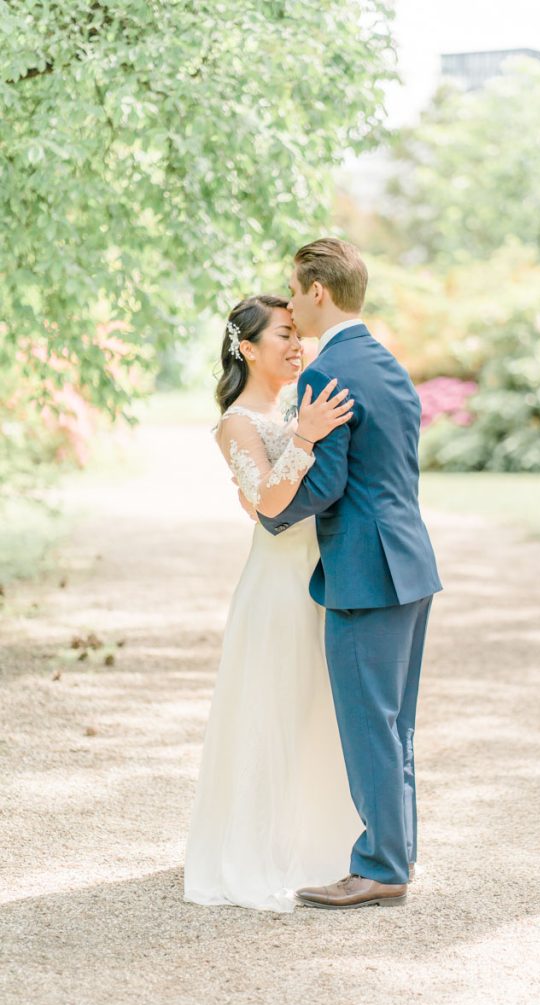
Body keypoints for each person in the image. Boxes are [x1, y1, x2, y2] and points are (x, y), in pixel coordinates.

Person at [256, 238, 443, 910]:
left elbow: (328, 484)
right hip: (411, 564)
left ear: (316, 291)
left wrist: (269, 508)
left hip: (365, 573)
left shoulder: (324, 375)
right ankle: (396, 855)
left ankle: (381, 867)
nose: (291, 303)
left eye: (293, 289)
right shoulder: (390, 367)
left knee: (368, 722)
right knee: (395, 726)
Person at [183, 294, 362, 912]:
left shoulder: (292, 407)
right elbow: (269, 506)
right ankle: (253, 848)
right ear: (248, 349)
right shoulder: (238, 421)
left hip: (321, 573)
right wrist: (305, 439)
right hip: (278, 583)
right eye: (281, 335)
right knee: (274, 705)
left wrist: (303, 432)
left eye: (297, 333)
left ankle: (319, 842)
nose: (295, 344)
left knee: (317, 708)